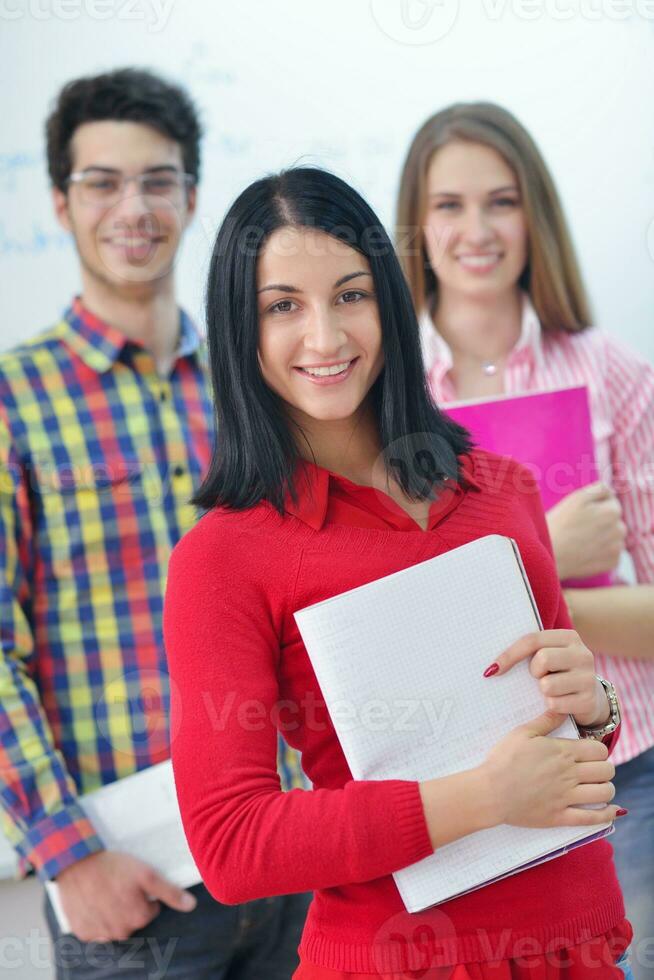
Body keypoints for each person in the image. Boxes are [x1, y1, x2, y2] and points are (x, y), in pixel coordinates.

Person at [163, 166, 633, 980]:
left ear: (389, 298)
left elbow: (571, 746)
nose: (325, 336)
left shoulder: (505, 491)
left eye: (350, 295)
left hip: (577, 944)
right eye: (283, 307)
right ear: (240, 330)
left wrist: (593, 704)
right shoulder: (222, 558)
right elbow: (232, 844)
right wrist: (482, 798)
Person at [0, 68, 308, 979]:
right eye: (102, 181)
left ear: (192, 195)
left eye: (157, 180)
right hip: (136, 895)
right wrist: (68, 855)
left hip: (293, 856)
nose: (132, 206)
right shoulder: (14, 399)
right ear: (61, 202)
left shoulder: (257, 382)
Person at [395, 101, 654, 979]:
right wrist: (546, 547)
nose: (477, 230)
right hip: (461, 790)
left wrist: (537, 593)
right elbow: (400, 621)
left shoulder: (610, 371)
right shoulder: (382, 403)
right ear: (415, 227)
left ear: (534, 214)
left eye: (501, 201)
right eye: (450, 205)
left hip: (625, 770)